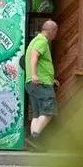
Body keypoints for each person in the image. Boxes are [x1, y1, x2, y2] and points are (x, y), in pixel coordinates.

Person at [25, 20, 59, 149]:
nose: (56, 35)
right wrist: (35, 75)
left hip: (33, 83)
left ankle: (33, 145)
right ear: (52, 31)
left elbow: (39, 63)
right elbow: (34, 57)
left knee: (37, 114)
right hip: (40, 83)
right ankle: (34, 138)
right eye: (56, 32)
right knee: (49, 111)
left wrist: (51, 79)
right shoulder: (42, 41)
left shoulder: (34, 41)